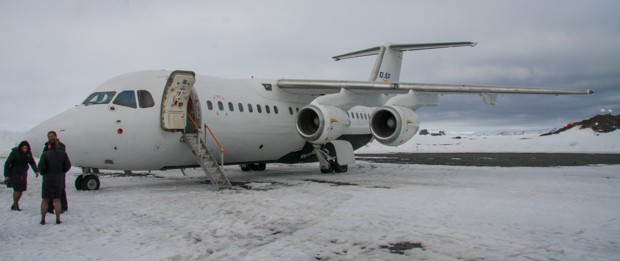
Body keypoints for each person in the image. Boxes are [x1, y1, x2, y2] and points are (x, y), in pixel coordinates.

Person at [38, 138, 71, 225]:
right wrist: (62, 171)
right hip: (59, 179)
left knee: (45, 200)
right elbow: (68, 165)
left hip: (48, 179)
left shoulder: (45, 154)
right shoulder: (63, 154)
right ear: (57, 145)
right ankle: (58, 218)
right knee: (57, 199)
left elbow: (40, 166)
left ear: (49, 145)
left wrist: (43, 172)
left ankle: (43, 219)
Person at [3, 141, 39, 211]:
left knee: (21, 190)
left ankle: (14, 204)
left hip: (23, 174)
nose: (25, 149)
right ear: (20, 147)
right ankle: (16, 206)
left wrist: (36, 170)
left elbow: (32, 162)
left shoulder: (29, 153)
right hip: (14, 173)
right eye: (23, 148)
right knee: (17, 189)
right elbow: (7, 163)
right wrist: (6, 175)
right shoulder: (15, 153)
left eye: (26, 148)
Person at [43, 131, 68, 213]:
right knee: (49, 192)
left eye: (52, 136)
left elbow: (62, 158)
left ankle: (62, 207)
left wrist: (62, 170)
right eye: (49, 136)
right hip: (49, 173)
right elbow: (44, 159)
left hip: (59, 173)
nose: (51, 137)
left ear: (56, 136)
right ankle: (49, 207)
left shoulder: (61, 145)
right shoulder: (46, 146)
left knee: (60, 190)